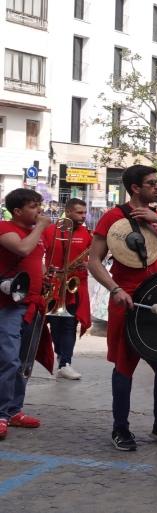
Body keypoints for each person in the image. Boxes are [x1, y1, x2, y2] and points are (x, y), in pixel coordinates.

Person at [88, 165, 157, 451]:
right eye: (151, 183)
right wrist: (115, 289)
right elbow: (94, 261)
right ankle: (120, 428)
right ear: (135, 188)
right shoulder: (112, 217)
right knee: (124, 368)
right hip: (128, 301)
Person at [0, 188, 49, 439]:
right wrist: (40, 227)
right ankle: (1, 414)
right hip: (8, 305)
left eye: (39, 205)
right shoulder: (5, 228)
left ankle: (14, 409)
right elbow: (21, 250)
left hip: (33, 304)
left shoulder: (34, 233)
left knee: (24, 363)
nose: (39, 210)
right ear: (17, 211)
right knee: (8, 360)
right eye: (33, 206)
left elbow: (37, 260)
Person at [41, 198, 92, 380]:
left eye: (84, 212)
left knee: (70, 325)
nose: (83, 216)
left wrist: (88, 264)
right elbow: (39, 254)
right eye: (79, 212)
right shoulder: (50, 231)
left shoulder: (87, 233)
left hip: (74, 286)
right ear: (68, 212)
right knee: (55, 326)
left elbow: (92, 258)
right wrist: (46, 272)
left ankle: (65, 363)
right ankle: (61, 358)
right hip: (54, 285)